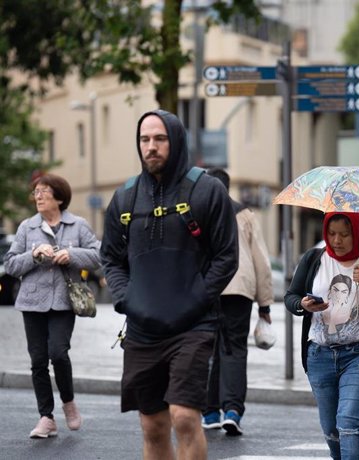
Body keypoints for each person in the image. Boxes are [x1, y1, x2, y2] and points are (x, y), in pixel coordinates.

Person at [100, 110, 239, 459]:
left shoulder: (208, 190)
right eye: (145, 140)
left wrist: (196, 298)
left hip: (193, 326)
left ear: (175, 141)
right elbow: (110, 259)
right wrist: (128, 298)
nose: (151, 147)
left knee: (185, 417)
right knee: (152, 425)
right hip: (142, 329)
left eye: (159, 139)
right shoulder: (125, 198)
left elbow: (226, 257)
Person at [284, 212, 359, 460]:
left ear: (358, 233)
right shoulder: (313, 258)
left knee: (349, 421)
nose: (336, 240)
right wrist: (303, 305)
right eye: (331, 233)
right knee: (332, 429)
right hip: (320, 356)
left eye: (345, 234)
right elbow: (291, 297)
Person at [4, 173, 100, 439]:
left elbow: (98, 255)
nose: (39, 196)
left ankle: (68, 402)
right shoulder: (27, 227)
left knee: (58, 353)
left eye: (44, 191)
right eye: (36, 192)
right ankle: (46, 417)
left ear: (59, 197)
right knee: (37, 361)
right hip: (32, 301)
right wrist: (34, 255)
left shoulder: (78, 225)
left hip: (64, 302)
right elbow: (10, 264)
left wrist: (72, 255)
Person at [202, 167, 273, 436]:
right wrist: (264, 304)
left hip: (206, 290)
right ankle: (232, 411)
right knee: (233, 350)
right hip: (239, 291)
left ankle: (209, 412)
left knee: (207, 350)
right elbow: (261, 261)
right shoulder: (244, 214)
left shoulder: (198, 213)